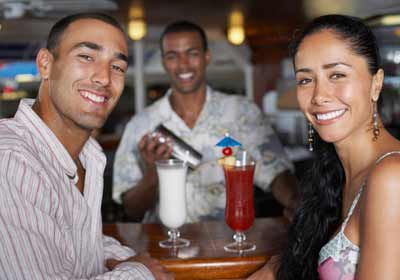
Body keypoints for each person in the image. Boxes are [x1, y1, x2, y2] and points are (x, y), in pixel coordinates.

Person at [0, 13, 172, 279]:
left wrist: (121, 257)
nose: (104, 78)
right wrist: (139, 273)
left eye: (117, 67)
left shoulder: (89, 157)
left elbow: (74, 242)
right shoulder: (11, 160)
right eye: (86, 57)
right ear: (45, 64)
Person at [248, 14, 400, 280]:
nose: (319, 95)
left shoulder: (392, 176)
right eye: (306, 80)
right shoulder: (333, 175)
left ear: (375, 84)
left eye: (337, 75)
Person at [113, 20, 298, 224]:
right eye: (172, 56)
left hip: (230, 238)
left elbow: (277, 172)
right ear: (164, 62)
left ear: (206, 56)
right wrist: (152, 174)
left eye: (192, 53)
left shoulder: (241, 112)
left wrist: (296, 202)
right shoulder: (141, 125)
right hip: (164, 244)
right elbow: (132, 210)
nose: (183, 64)